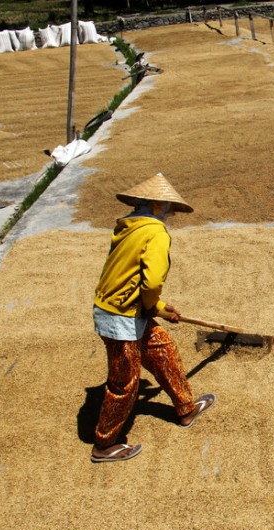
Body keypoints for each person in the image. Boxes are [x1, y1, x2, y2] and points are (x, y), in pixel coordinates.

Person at [90, 173, 215, 463]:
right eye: (169, 208)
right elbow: (152, 280)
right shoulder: (155, 232)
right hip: (119, 315)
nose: (170, 214)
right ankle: (104, 444)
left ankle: (186, 408)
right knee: (124, 382)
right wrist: (152, 305)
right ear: (157, 206)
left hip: (128, 309)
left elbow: (131, 275)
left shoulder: (129, 226)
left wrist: (158, 307)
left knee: (163, 352)